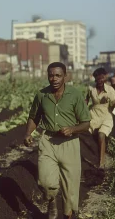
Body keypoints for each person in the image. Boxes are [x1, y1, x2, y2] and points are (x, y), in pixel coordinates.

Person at [23, 62, 91, 219]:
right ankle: (51, 200)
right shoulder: (41, 95)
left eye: (58, 75)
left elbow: (86, 123)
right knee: (46, 182)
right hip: (48, 141)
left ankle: (67, 214)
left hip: (69, 143)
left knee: (70, 188)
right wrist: (28, 133)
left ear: (65, 76)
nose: (54, 79)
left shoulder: (75, 95)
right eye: (51, 75)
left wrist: (73, 129)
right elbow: (34, 116)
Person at [85, 68, 115, 168]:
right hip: (93, 116)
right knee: (84, 135)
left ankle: (101, 162)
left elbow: (114, 103)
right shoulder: (91, 89)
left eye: (102, 80)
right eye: (98, 80)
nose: (100, 82)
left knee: (101, 135)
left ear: (104, 79)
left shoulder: (110, 90)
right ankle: (90, 157)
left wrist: (112, 103)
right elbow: (86, 101)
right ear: (95, 80)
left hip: (106, 116)